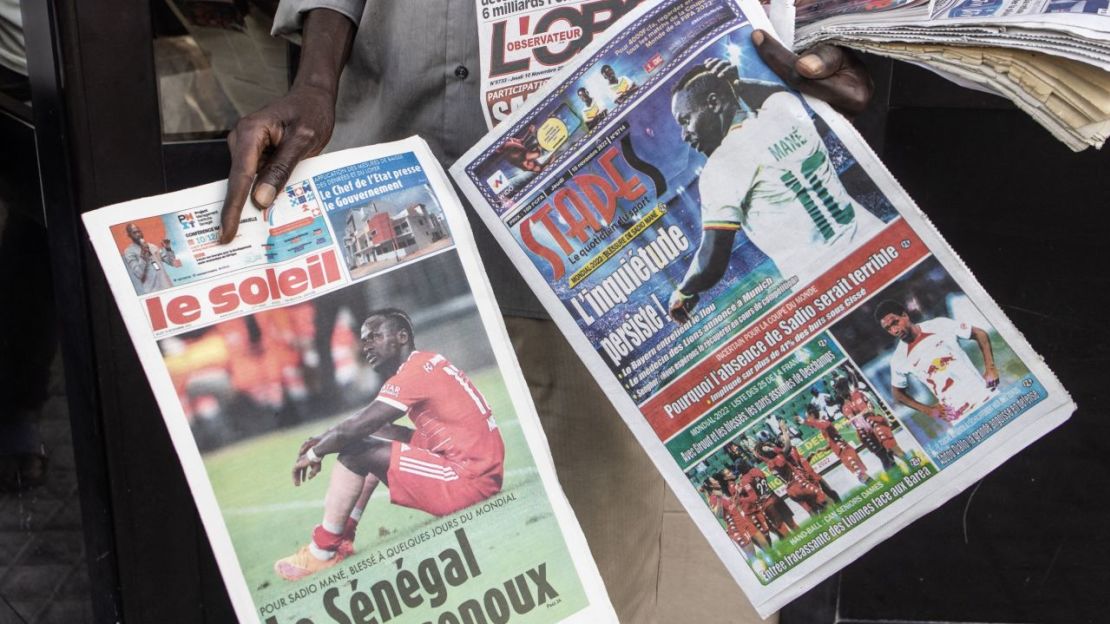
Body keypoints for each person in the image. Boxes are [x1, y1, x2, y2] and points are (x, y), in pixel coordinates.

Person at [216, 2, 873, 616]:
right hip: (421, 190)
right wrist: (315, 82)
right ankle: (333, 548)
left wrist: (808, 43)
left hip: (627, 245)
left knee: (667, 571)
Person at [274, 309, 505, 580]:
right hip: (477, 463)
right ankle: (343, 537)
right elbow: (375, 426)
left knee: (356, 451)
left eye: (375, 336)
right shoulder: (427, 361)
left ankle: (322, 551)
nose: (367, 345)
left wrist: (316, 452)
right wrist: (328, 436)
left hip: (468, 481)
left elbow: (362, 425)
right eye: (364, 340)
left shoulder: (411, 376)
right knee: (376, 435)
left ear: (402, 337)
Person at [666, 57, 883, 323]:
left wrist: (684, 291)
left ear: (713, 103)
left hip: (828, 285)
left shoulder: (722, 165)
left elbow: (712, 260)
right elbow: (775, 92)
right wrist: (737, 83)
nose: (684, 134)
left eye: (685, 120)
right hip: (877, 244)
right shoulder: (784, 108)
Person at [874, 299, 999, 422]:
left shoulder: (938, 325)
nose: (894, 330)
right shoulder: (898, 359)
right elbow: (898, 395)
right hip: (957, 414)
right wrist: (928, 410)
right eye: (888, 328)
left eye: (895, 322)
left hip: (983, 393)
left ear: (905, 315)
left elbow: (979, 333)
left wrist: (990, 368)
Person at [797, 403, 870, 484]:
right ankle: (871, 484)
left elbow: (825, 426)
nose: (808, 419)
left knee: (860, 473)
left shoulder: (823, 422)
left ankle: (872, 484)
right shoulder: (821, 426)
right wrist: (824, 449)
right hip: (841, 453)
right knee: (859, 474)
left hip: (844, 450)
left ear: (812, 415)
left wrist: (805, 421)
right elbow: (831, 442)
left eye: (808, 417)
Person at [122, 223, 179, 294]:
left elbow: (171, 262)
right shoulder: (129, 251)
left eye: (139, 231)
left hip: (167, 285)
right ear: (129, 235)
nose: (138, 234)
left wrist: (168, 248)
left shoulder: (153, 246)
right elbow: (138, 274)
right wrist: (142, 254)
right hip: (152, 290)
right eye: (134, 233)